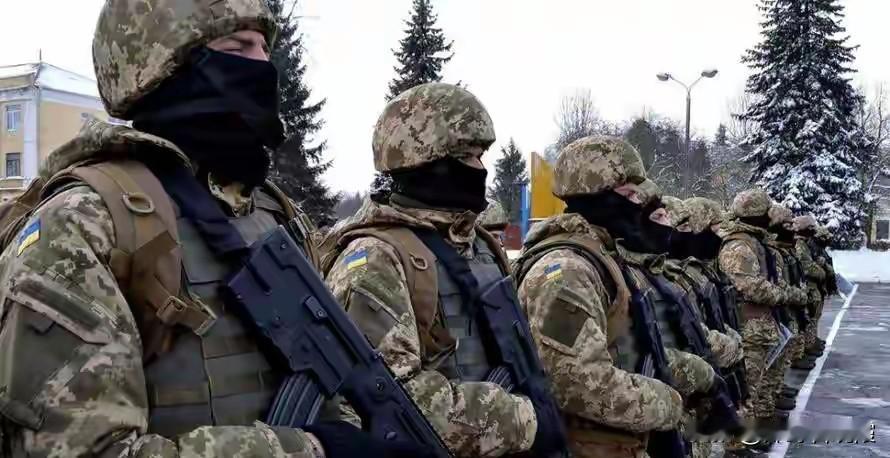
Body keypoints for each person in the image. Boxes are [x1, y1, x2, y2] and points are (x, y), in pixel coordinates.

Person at [0, 1, 430, 456]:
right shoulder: (85, 221)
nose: (265, 66)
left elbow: (331, 394)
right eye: (239, 47)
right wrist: (312, 451)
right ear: (164, 66)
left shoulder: (271, 213)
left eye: (265, 48)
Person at [322, 83, 565, 457]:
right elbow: (393, 399)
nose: (480, 169)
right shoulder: (376, 257)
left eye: (481, 156)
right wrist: (526, 420)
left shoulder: (480, 245)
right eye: (467, 156)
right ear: (424, 161)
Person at [513, 136, 703, 458]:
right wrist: (668, 403)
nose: (637, 205)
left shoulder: (602, 256)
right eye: (628, 195)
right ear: (596, 196)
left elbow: (623, 349)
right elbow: (576, 383)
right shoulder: (566, 271)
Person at [718, 189, 790, 454]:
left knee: (755, 386)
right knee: (745, 389)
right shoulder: (738, 246)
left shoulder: (753, 242)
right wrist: (780, 294)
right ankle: (737, 444)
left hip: (758, 327)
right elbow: (748, 285)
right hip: (746, 328)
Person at [763, 204, 809, 417]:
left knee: (781, 355)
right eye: (787, 225)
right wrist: (794, 295)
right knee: (767, 364)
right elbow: (776, 283)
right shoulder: (770, 251)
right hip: (771, 310)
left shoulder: (782, 250)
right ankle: (765, 405)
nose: (792, 230)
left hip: (782, 308)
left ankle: (775, 392)